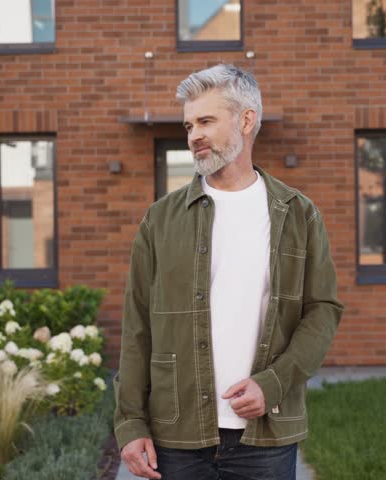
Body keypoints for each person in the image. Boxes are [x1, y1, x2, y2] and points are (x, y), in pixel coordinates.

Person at [114, 64, 344, 480]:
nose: (194, 135)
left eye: (206, 121)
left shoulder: (298, 215)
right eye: (188, 125)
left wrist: (272, 383)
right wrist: (131, 424)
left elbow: (322, 310)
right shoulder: (160, 220)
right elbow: (137, 326)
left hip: (266, 436)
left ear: (246, 120)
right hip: (178, 434)